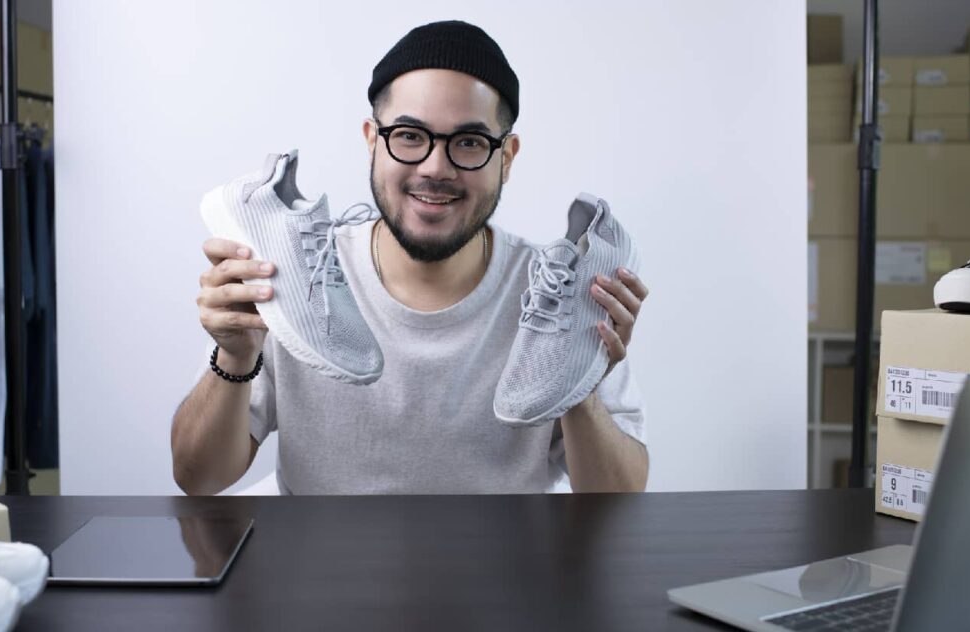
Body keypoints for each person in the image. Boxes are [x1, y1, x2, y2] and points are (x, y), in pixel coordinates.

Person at [171, 20, 649, 495]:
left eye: (469, 142)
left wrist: (576, 382)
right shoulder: (297, 277)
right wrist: (235, 354)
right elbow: (199, 478)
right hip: (323, 565)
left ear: (506, 157)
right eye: (409, 135)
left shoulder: (560, 300)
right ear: (372, 140)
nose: (435, 167)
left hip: (501, 567)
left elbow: (617, 502)